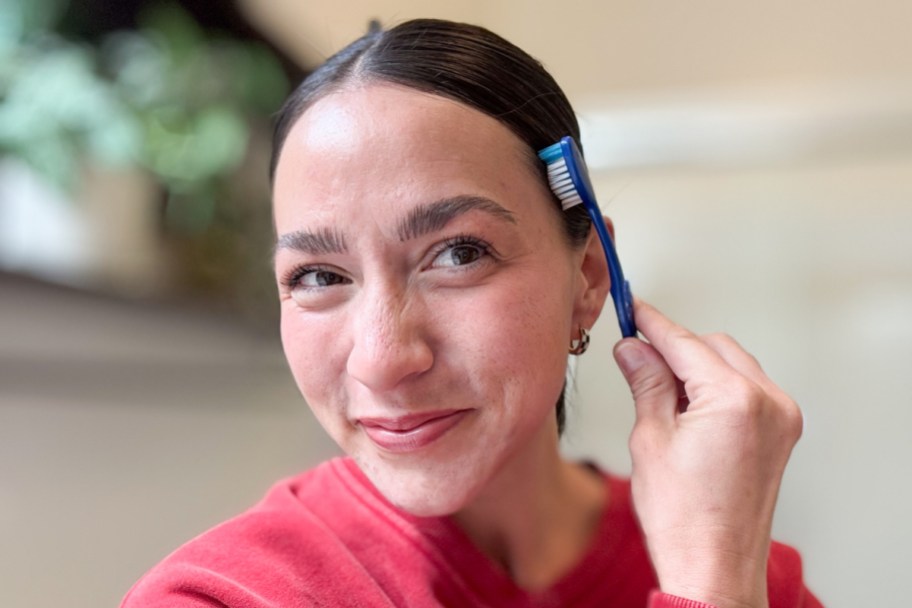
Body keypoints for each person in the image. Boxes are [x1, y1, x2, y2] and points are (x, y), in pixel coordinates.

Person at [122, 19, 821, 608]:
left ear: (587, 275)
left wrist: (713, 575)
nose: (383, 360)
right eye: (319, 275)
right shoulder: (222, 597)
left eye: (458, 254)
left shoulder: (744, 569)